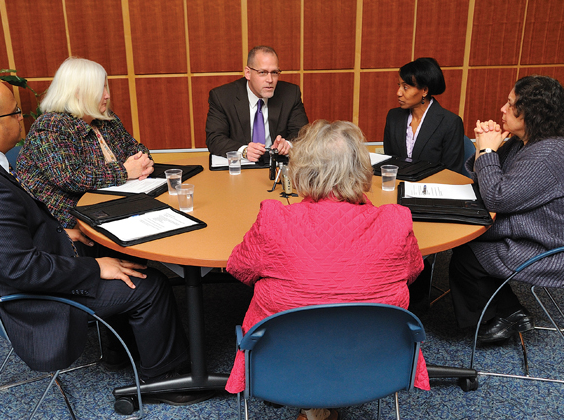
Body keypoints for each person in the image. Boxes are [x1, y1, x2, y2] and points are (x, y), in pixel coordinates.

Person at [0, 77, 211, 405]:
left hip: (40, 258)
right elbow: (23, 271)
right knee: (149, 284)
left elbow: (8, 238)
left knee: (114, 248)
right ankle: (167, 378)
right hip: (33, 297)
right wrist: (95, 268)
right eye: (16, 113)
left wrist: (60, 232)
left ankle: (122, 350)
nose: (23, 118)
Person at [225, 120, 429, 420]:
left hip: (284, 360)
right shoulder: (396, 221)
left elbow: (238, 268)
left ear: (301, 169)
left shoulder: (274, 219)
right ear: (363, 169)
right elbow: (413, 271)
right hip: (375, 359)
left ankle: (312, 406)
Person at [449, 75, 564, 343]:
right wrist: (485, 146)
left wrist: (488, 153)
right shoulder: (526, 140)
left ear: (530, 113)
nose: (502, 108)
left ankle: (498, 318)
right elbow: (486, 178)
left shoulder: (548, 153)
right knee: (464, 243)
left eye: (510, 104)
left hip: (543, 244)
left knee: (468, 254)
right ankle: (511, 311)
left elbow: (498, 197)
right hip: (522, 225)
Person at [16, 57, 154, 231]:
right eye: (100, 88)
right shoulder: (51, 126)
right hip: (68, 221)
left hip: (111, 203)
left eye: (106, 86)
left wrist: (143, 162)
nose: (107, 95)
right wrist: (125, 171)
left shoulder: (104, 119)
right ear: (77, 92)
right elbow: (71, 178)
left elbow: (135, 148)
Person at [206, 45, 308, 162]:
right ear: (248, 73)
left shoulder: (290, 94)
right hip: (240, 167)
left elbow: (302, 133)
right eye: (262, 72)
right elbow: (214, 138)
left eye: (274, 72)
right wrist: (244, 151)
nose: (270, 80)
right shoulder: (222, 97)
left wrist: (288, 144)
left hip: (276, 165)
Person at [383, 57, 465, 173]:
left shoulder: (450, 123)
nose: (399, 93)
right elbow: (390, 161)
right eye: (399, 85)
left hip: (434, 188)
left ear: (425, 91)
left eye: (405, 87)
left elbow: (452, 172)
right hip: (399, 185)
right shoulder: (393, 117)